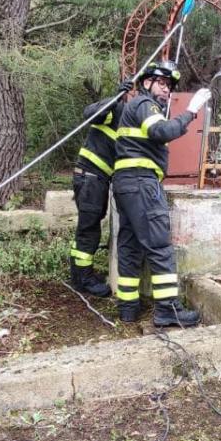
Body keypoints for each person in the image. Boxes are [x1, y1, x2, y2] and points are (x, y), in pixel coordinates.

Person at [113, 60, 211, 326]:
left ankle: (128, 307)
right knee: (159, 246)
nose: (167, 89)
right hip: (141, 183)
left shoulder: (134, 107)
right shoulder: (145, 104)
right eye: (163, 83)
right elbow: (162, 132)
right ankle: (167, 310)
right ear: (147, 83)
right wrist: (191, 111)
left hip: (126, 184)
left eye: (170, 86)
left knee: (130, 246)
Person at [69, 79, 134, 297]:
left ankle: (79, 274)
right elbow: (90, 113)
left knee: (88, 227)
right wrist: (115, 98)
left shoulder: (131, 122)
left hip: (95, 179)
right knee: (88, 230)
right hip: (90, 178)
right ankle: (83, 279)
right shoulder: (115, 112)